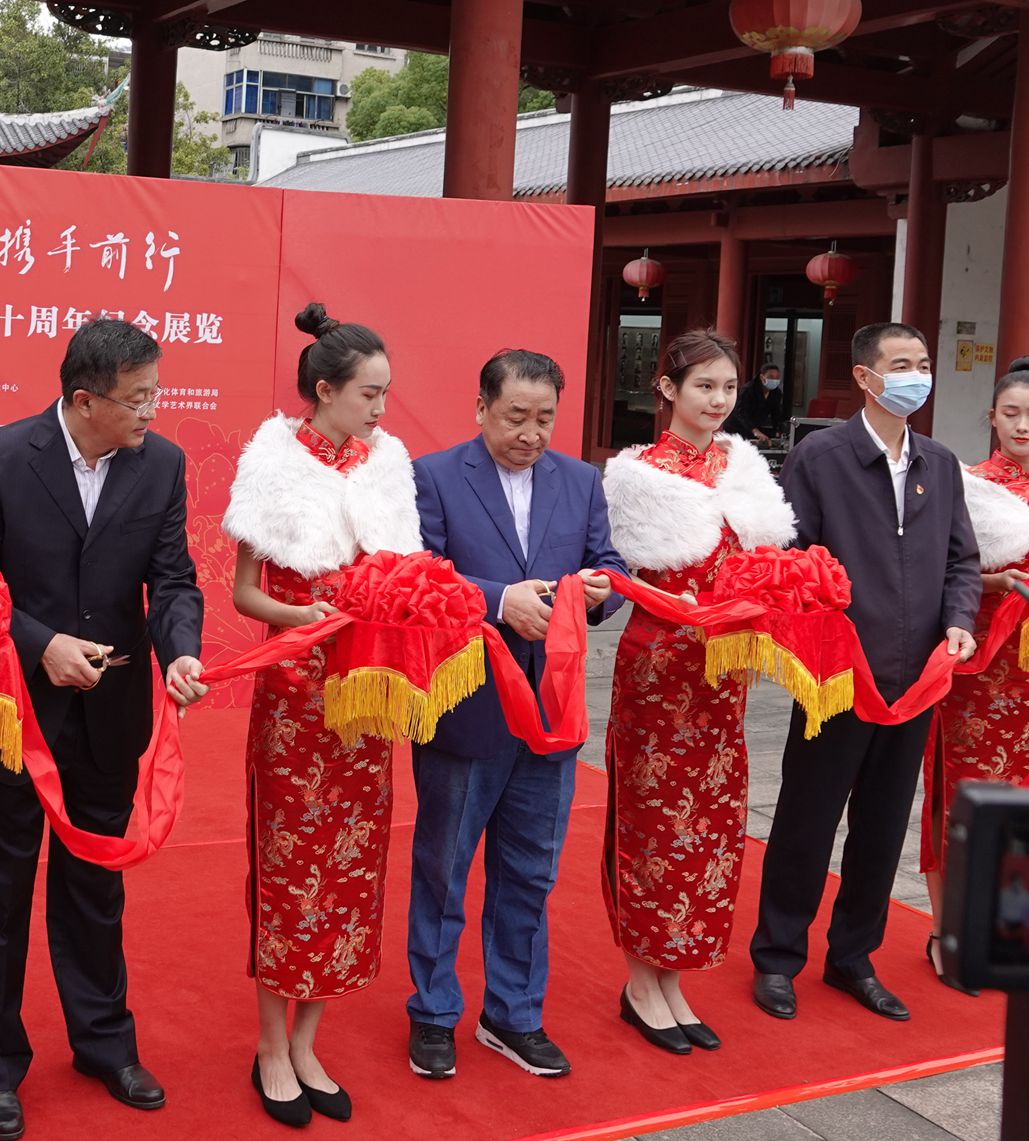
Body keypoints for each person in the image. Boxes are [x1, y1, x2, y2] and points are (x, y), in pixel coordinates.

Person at [0, 319, 208, 1141]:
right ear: (85, 399)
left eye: (155, 393)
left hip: (110, 712)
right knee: (1, 889)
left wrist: (181, 649)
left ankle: (103, 1042)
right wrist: (40, 644)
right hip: (14, 711)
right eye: (138, 398)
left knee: (96, 885)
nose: (152, 412)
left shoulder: (160, 464)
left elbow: (173, 578)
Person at [222, 305, 420, 1125]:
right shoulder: (272, 463)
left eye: (385, 393)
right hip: (296, 698)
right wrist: (302, 617)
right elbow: (246, 593)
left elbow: (404, 576)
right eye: (369, 393)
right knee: (290, 870)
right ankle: (271, 1045)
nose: (380, 408)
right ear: (325, 389)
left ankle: (309, 1041)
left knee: (350, 867)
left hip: (365, 697)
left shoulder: (387, 465)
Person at [749, 321, 979, 1024]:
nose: (916, 376)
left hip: (915, 681)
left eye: (923, 363)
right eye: (901, 364)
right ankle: (778, 955)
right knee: (808, 817)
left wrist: (959, 619)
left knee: (882, 825)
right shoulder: (821, 457)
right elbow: (796, 559)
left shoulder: (940, 463)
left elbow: (961, 559)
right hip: (839, 677)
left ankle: (853, 955)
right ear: (864, 376)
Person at [405, 350, 625, 1081]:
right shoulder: (435, 476)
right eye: (515, 417)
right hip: (467, 707)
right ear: (481, 409)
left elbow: (609, 564)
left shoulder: (581, 480)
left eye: (544, 418)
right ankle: (433, 1012)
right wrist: (500, 600)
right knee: (444, 868)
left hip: (551, 711)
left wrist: (600, 588)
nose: (531, 433)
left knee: (531, 871)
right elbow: (420, 575)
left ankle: (513, 1014)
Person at [600, 329, 796, 1054]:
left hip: (723, 673)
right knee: (653, 823)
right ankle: (639, 983)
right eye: (703, 386)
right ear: (668, 389)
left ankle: (674, 976)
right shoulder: (638, 473)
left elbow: (767, 562)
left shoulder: (743, 466)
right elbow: (619, 571)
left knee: (710, 823)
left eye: (728, 388)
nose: (717, 400)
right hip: (660, 666)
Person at [918, 355, 1029, 978]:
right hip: (975, 663)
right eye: (1011, 414)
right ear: (992, 417)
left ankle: (1010, 923)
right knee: (960, 795)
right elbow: (940, 569)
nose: (1023, 426)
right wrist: (994, 582)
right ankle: (946, 930)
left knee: (1027, 796)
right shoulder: (963, 482)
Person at [724, 363, 789, 445]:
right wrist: (754, 430)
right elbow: (741, 413)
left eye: (777, 378)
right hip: (736, 427)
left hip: (755, 428)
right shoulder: (748, 390)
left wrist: (778, 430)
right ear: (762, 377)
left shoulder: (776, 393)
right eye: (771, 377)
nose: (774, 380)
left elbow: (776, 413)